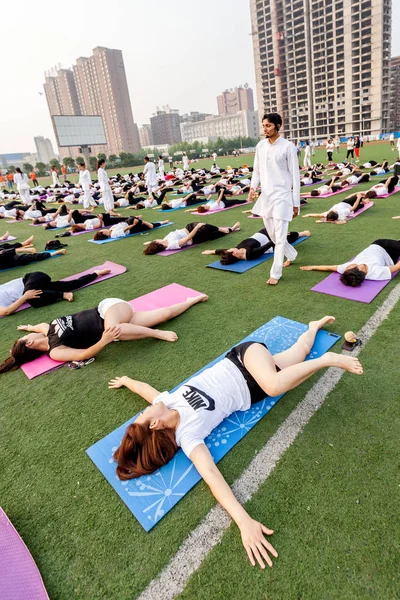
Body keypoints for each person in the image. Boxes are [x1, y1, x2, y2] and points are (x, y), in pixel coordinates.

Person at [109, 316, 363, 569]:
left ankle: (327, 360)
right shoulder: (187, 436)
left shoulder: (168, 401)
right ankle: (313, 327)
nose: (145, 410)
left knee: (276, 384)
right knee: (299, 353)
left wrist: (126, 381)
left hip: (243, 359)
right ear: (154, 425)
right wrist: (244, 522)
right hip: (255, 388)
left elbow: (144, 389)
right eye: (143, 415)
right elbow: (211, 475)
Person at [0, 293, 209, 372]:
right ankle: (190, 301)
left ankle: (157, 334)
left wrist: (27, 328)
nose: (31, 334)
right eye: (27, 338)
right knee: (164, 314)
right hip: (117, 327)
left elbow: (38, 326)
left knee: (114, 330)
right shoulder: (55, 351)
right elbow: (83, 355)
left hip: (108, 309)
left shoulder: (46, 330)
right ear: (30, 344)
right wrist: (103, 341)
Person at [248, 113, 300, 285]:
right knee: (273, 235)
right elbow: (256, 171)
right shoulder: (260, 146)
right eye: (264, 125)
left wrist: (295, 202)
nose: (265, 129)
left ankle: (275, 273)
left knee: (279, 236)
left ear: (278, 126)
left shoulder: (288, 147)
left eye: (268, 125)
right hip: (266, 197)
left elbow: (295, 177)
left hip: (283, 197)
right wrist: (252, 188)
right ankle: (291, 254)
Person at [0, 267, 111, 316]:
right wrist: (24, 297)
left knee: (32, 299)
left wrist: (25, 296)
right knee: (70, 285)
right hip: (38, 288)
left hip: (33, 278)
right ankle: (96, 273)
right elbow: (6, 312)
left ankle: (63, 295)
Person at [300, 239, 400, 286]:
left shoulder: (348, 269)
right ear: (360, 269)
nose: (348, 265)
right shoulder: (375, 272)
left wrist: (313, 267)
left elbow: (329, 268)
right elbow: (397, 267)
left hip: (379, 244)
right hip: (391, 256)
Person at [202, 228, 310, 264]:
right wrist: (278, 237)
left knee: (273, 225)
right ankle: (301, 233)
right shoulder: (250, 254)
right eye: (231, 250)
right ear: (234, 254)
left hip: (261, 233)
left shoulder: (235, 251)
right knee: (289, 236)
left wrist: (212, 251)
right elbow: (266, 246)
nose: (229, 248)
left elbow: (223, 251)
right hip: (270, 242)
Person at [143, 221, 241, 254]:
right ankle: (230, 229)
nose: (156, 241)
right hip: (195, 237)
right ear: (158, 245)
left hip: (187, 228)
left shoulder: (162, 241)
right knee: (210, 231)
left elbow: (154, 240)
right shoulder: (171, 245)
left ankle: (224, 229)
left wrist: (148, 243)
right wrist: (197, 227)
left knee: (206, 226)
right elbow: (187, 238)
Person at [301, 193, 368, 223]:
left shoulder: (328, 213)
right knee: (360, 202)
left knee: (356, 196)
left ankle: (362, 200)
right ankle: (364, 201)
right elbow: (353, 208)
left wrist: (309, 215)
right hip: (351, 207)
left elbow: (319, 215)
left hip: (344, 202)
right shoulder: (343, 212)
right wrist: (358, 198)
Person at [93, 217, 171, 240]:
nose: (104, 229)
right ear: (103, 233)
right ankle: (161, 223)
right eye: (102, 230)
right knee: (137, 221)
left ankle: (144, 222)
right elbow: (125, 229)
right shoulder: (113, 235)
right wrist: (134, 224)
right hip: (132, 228)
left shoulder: (111, 230)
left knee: (134, 219)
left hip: (126, 222)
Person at [0, 247, 66, 271]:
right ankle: (56, 252)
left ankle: (25, 248)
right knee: (30, 257)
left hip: (8, 258)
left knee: (4, 249)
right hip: (8, 262)